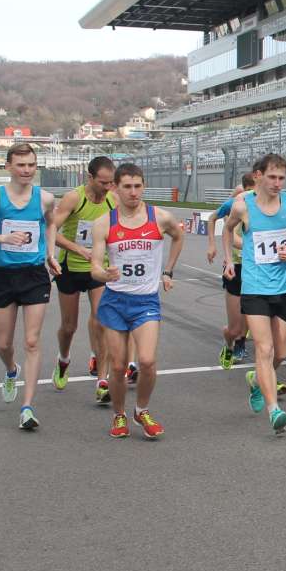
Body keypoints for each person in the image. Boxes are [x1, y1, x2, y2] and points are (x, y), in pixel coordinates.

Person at [0, 143, 61, 430]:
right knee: (4, 344)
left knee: (32, 341)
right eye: (21, 165)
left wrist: (50, 253)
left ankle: (27, 407)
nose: (27, 170)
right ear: (8, 167)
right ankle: (10, 370)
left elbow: (52, 224)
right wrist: (3, 239)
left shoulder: (44, 198)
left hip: (33, 275)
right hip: (3, 275)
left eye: (31, 165)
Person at [222, 154, 286, 435]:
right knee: (264, 349)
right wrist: (229, 260)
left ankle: (256, 382)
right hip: (255, 287)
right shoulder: (243, 207)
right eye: (272, 177)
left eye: (281, 178)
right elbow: (226, 231)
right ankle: (274, 409)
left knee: (281, 353)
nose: (277, 183)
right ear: (257, 176)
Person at [88, 163, 184, 438]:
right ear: (115, 188)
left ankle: (141, 410)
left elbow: (179, 236)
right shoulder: (105, 223)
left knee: (147, 361)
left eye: (138, 186)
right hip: (115, 301)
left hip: (146, 302)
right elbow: (94, 266)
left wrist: (168, 271)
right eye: (127, 187)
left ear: (144, 186)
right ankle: (119, 414)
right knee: (117, 366)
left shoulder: (160, 217)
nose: (133, 192)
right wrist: (104, 274)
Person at [49, 156, 117, 399]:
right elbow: (51, 231)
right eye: (103, 182)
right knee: (69, 326)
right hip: (71, 268)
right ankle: (63, 359)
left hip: (98, 268)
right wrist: (78, 249)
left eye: (111, 182)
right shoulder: (74, 198)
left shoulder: (113, 199)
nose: (108, 187)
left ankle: (102, 380)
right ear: (89, 177)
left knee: (101, 320)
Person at [206, 172, 256, 368]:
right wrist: (212, 245)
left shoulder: (269, 203)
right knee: (234, 328)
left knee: (252, 313)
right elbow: (213, 219)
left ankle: (241, 343)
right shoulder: (238, 202)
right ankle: (230, 342)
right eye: (251, 190)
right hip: (236, 267)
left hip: (256, 270)